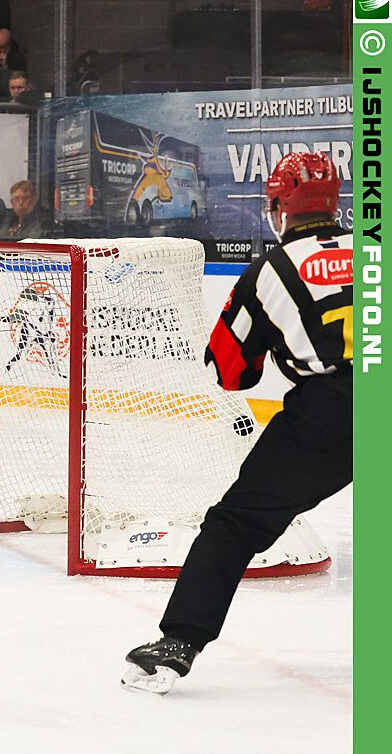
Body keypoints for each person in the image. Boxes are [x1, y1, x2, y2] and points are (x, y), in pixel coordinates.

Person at [122, 151, 352, 695]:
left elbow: (231, 374)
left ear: (279, 206)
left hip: (331, 414)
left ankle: (178, 644)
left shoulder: (269, 270)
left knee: (234, 526)